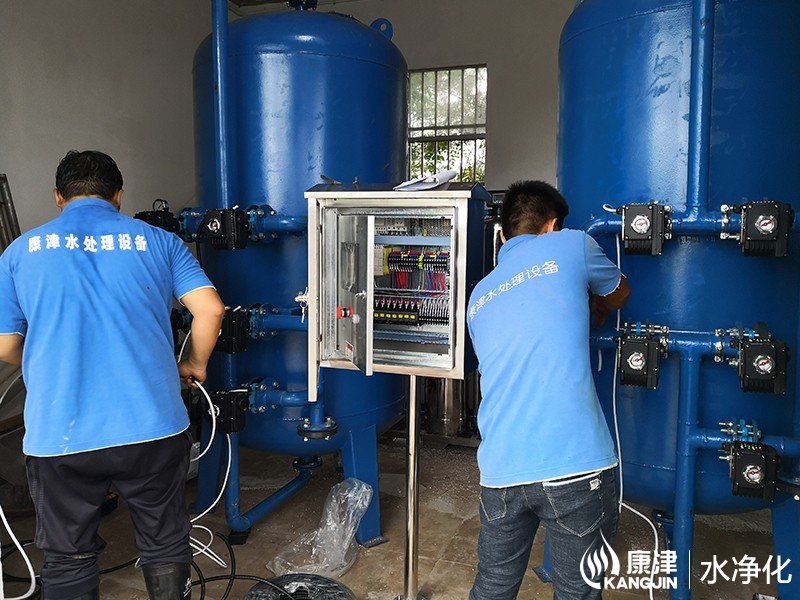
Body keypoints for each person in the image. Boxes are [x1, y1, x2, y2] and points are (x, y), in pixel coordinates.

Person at [0, 151, 225, 600]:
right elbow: (211, 310)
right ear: (118, 195)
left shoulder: (19, 252)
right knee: (164, 541)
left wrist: (49, 361)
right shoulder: (160, 242)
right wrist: (194, 364)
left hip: (60, 435)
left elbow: (5, 345)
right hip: (152, 426)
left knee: (67, 555)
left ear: (58, 196)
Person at [467, 180, 631, 599]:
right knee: (577, 590)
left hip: (500, 470)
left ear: (503, 235)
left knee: (493, 585)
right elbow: (620, 292)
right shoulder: (572, 244)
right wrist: (593, 306)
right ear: (553, 225)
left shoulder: (479, 295)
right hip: (573, 465)